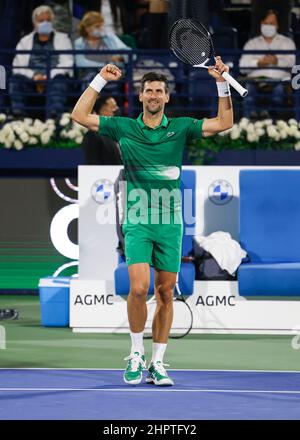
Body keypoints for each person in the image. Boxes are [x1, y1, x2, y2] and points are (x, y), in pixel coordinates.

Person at [71, 58, 233, 386]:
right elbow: (79, 116)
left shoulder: (182, 127)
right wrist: (100, 80)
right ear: (141, 97)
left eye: (160, 90)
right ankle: (135, 353)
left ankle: (158, 363)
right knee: (138, 288)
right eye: (149, 91)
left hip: (170, 223)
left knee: (165, 293)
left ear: (167, 97)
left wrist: (222, 82)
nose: (155, 95)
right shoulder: (124, 127)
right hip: (138, 220)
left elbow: (224, 122)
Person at [10, 5, 73, 119]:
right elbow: (17, 66)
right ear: (34, 23)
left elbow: (67, 62)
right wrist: (34, 76)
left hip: (54, 78)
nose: (45, 23)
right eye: (41, 21)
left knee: (60, 80)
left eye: (48, 20)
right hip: (31, 80)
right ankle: (18, 117)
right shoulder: (25, 41)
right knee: (15, 81)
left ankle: (54, 119)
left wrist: (48, 76)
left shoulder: (63, 39)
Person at [239, 9, 296, 118]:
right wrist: (258, 63)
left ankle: (274, 127)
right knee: (248, 91)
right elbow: (242, 67)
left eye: (272, 23)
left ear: (277, 25)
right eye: (266, 23)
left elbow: (292, 63)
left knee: (278, 93)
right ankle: (248, 126)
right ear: (261, 24)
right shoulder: (251, 43)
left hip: (279, 82)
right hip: (254, 82)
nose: (268, 26)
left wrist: (277, 61)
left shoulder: (287, 42)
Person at [74, 11, 130, 88]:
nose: (101, 29)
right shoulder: (79, 43)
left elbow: (130, 54)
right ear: (87, 28)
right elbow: (81, 62)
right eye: (97, 26)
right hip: (90, 74)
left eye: (102, 26)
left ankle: (105, 99)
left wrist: (121, 57)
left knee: (113, 80)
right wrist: (106, 65)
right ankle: (105, 99)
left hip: (111, 73)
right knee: (91, 78)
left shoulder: (110, 38)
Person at [82, 95, 122, 164]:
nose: (117, 109)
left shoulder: (115, 133)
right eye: (113, 107)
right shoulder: (92, 136)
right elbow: (92, 164)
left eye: (116, 106)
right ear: (101, 111)